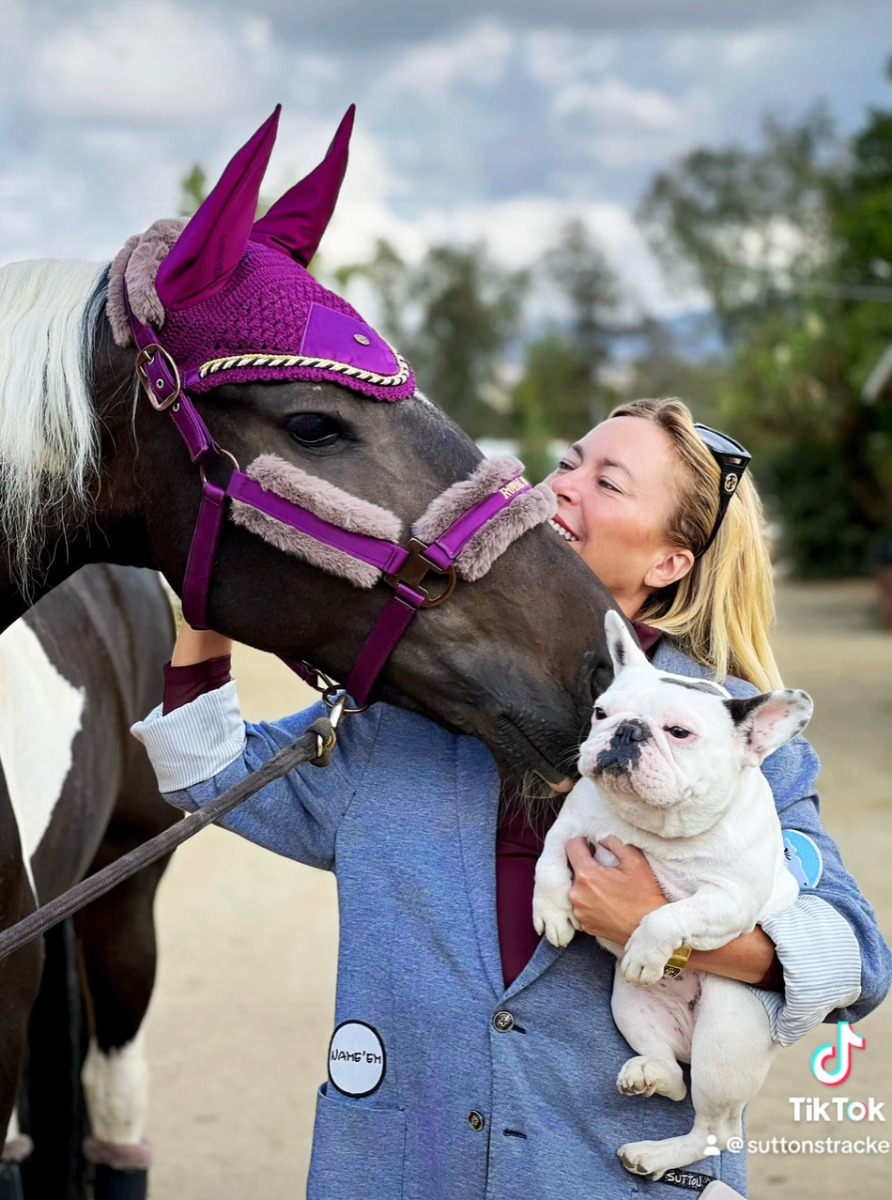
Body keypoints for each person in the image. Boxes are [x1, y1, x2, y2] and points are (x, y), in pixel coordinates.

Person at [132, 397, 891, 1199]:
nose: (563, 486)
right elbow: (207, 769)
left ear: (669, 562)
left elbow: (854, 960)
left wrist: (660, 932)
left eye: (609, 482)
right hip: (405, 1168)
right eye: (567, 463)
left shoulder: (742, 738)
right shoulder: (402, 713)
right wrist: (205, 593)